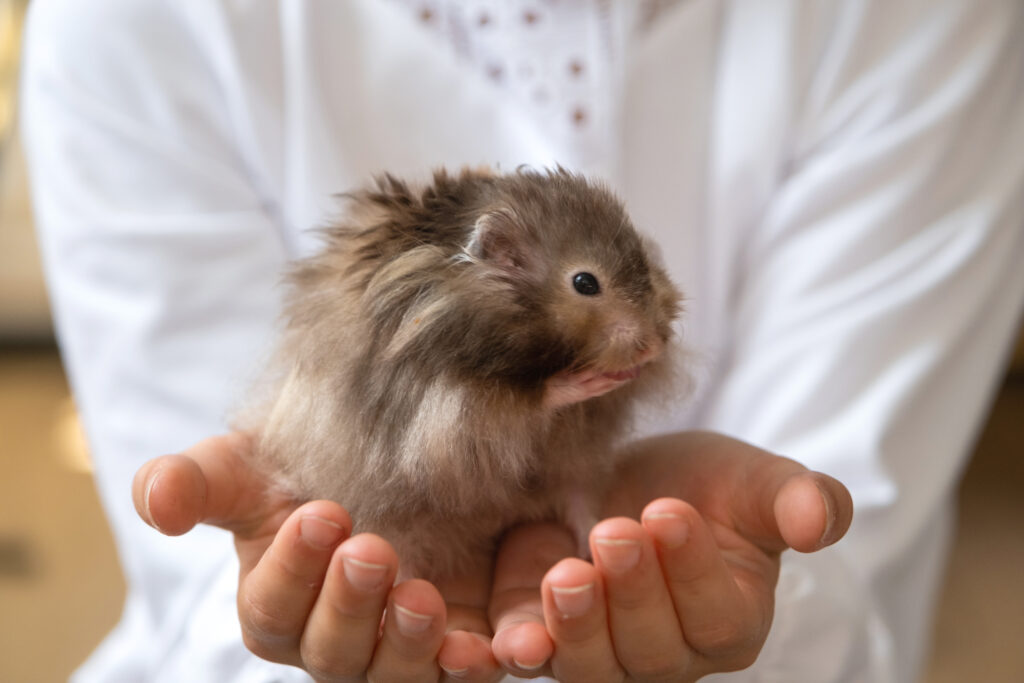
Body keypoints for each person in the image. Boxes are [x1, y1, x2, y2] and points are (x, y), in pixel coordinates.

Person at [20, 0, 1024, 681]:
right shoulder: (128, 24)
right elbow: (207, 568)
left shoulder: (929, 24)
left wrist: (761, 583)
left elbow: (845, 519)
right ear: (495, 259)